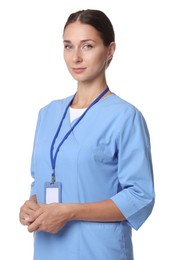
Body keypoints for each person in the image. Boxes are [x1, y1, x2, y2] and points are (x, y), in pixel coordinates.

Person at [19, 9, 155, 260]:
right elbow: (42, 178)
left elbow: (139, 196)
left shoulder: (125, 117)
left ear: (110, 50)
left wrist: (70, 212)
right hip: (48, 250)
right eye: (68, 46)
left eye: (88, 46)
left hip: (98, 251)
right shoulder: (47, 114)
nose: (76, 57)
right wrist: (31, 206)